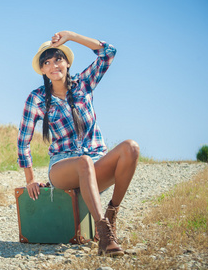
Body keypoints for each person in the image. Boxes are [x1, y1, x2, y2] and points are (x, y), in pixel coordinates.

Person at [17, 31, 139, 257]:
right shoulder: (36, 98)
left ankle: (111, 213)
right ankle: (104, 233)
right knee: (83, 162)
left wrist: (71, 37)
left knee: (131, 148)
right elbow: (23, 141)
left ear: (67, 63)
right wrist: (30, 178)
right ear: (42, 70)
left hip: (96, 163)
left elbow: (108, 52)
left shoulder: (83, 84)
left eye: (58, 59)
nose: (54, 65)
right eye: (47, 62)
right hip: (63, 169)